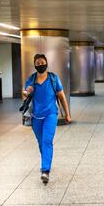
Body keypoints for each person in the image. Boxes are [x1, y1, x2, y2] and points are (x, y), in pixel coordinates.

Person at [23, 54, 71, 184]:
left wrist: (67, 114)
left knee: (47, 140)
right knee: (40, 142)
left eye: (42, 62)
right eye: (37, 63)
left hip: (51, 114)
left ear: (46, 63)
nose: (40, 65)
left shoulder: (53, 79)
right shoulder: (31, 79)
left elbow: (61, 97)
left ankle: (45, 170)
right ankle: (46, 159)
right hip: (36, 116)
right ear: (34, 65)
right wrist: (27, 92)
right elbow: (25, 95)